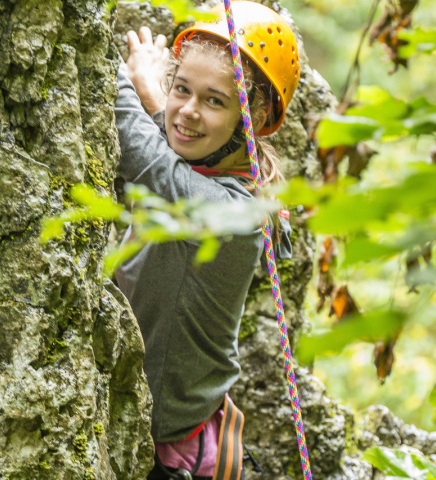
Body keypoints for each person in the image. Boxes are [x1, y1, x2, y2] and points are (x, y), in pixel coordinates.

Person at [113, 2, 299, 479]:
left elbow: (151, 162)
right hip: (160, 418)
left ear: (252, 119)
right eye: (183, 89)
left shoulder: (238, 215)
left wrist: (118, 76)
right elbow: (171, 154)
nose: (188, 112)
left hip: (166, 449)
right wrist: (157, 95)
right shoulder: (205, 172)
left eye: (214, 101)